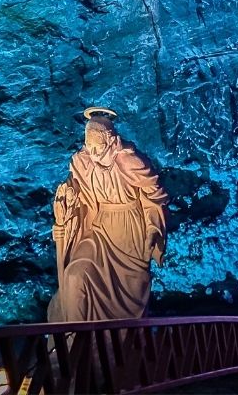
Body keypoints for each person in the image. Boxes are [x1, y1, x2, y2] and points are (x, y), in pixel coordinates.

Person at [47, 108, 170, 322]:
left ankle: (113, 339)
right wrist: (64, 220)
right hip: (99, 229)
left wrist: (153, 227)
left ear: (111, 141)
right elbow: (73, 194)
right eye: (89, 145)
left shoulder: (131, 162)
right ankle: (73, 336)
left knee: (129, 292)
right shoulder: (82, 162)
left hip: (129, 232)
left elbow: (155, 195)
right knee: (75, 275)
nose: (93, 152)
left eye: (98, 146)